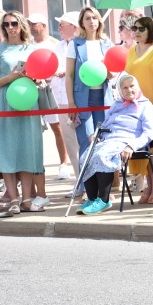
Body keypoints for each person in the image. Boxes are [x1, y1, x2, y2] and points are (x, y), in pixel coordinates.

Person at [0, 11, 45, 214]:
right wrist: (10, 77)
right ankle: (13, 199)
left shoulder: (32, 48)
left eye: (14, 23)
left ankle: (26, 199)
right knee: (8, 150)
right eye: (6, 24)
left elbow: (42, 75)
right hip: (6, 103)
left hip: (28, 101)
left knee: (27, 150)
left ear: (21, 25)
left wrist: (36, 78)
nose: (10, 27)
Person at [76, 74, 153, 215]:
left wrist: (131, 146)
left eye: (132, 86)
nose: (129, 90)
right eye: (125, 87)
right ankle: (92, 199)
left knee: (101, 156)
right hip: (109, 140)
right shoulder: (117, 104)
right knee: (85, 157)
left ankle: (103, 200)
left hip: (127, 141)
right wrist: (97, 134)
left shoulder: (146, 106)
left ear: (138, 87)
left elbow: (148, 134)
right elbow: (105, 124)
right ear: (120, 90)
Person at [125, 16, 153, 204]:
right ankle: (148, 185)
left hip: (152, 102)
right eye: (134, 28)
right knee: (141, 144)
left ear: (150, 30)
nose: (136, 32)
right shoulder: (131, 51)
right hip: (134, 104)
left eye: (141, 29)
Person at [28, 12, 66, 206]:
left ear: (43, 25)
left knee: (57, 127)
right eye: (29, 24)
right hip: (33, 90)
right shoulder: (28, 45)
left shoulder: (54, 44)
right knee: (35, 130)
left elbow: (59, 65)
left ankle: (63, 164)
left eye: (34, 24)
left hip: (52, 89)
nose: (31, 27)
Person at [66, 6, 113, 160]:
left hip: (103, 97)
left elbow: (112, 74)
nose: (92, 21)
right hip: (82, 99)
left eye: (94, 18)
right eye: (87, 18)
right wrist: (71, 102)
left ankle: (103, 176)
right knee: (86, 141)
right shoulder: (75, 44)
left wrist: (108, 71)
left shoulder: (107, 44)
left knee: (103, 141)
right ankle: (85, 177)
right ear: (82, 22)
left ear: (99, 21)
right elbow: (69, 75)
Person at [52, 12, 81, 185]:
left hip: (81, 100)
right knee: (70, 143)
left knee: (84, 142)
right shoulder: (58, 46)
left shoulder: (82, 44)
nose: (59, 29)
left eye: (62, 25)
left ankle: (90, 185)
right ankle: (79, 183)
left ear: (74, 27)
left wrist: (69, 72)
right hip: (62, 101)